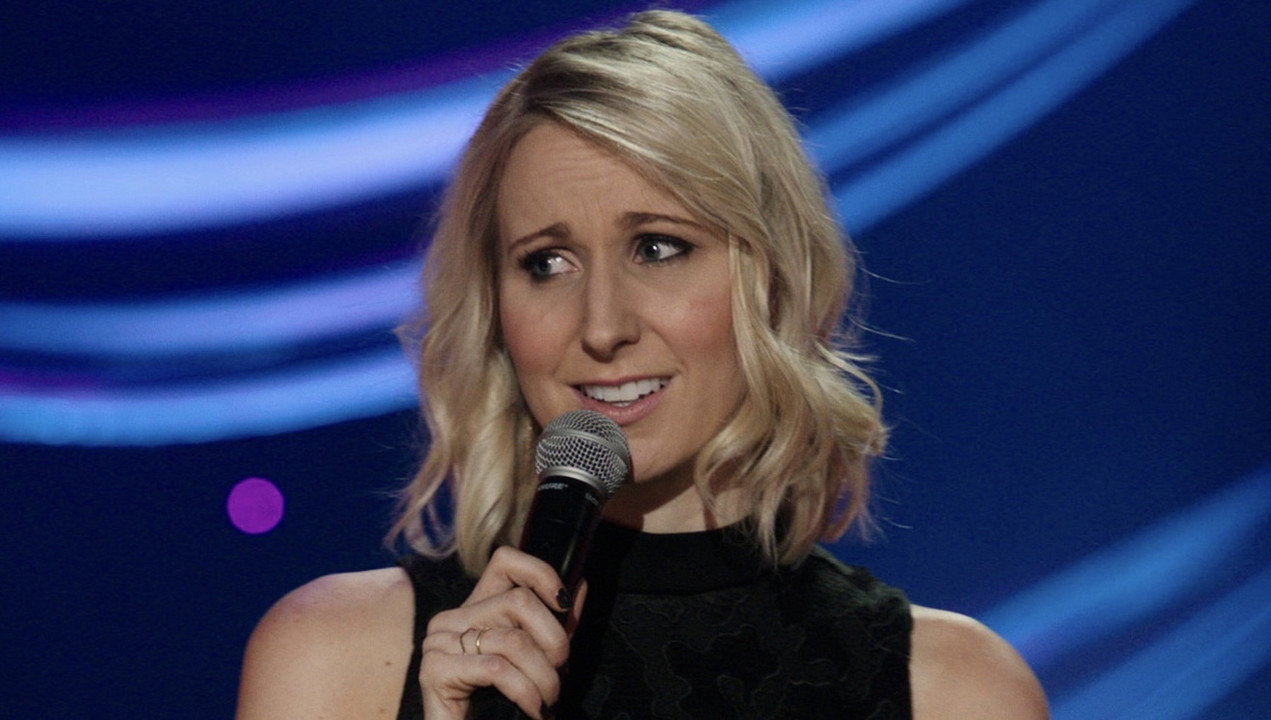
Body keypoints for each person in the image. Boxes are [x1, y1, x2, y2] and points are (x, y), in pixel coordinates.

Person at [236, 10, 1048, 720]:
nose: (601, 327)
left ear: (771, 276)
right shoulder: (336, 658)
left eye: (658, 248)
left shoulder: (952, 692)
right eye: (547, 263)